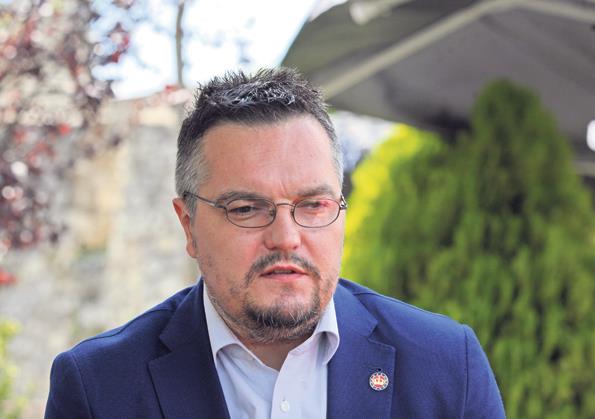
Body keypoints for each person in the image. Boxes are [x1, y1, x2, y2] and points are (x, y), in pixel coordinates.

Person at [45, 68, 505, 418]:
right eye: (246, 208)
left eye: (313, 205)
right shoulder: (98, 388)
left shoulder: (446, 366)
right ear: (189, 226)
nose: (286, 238)